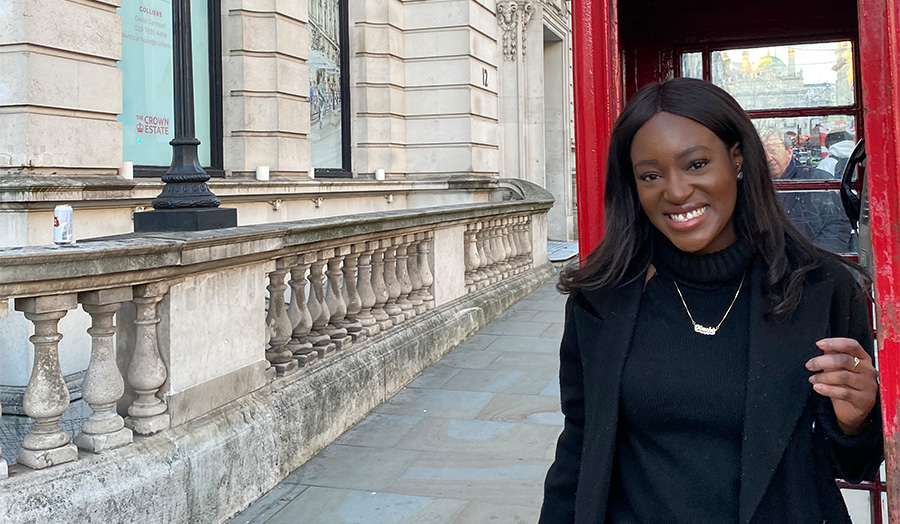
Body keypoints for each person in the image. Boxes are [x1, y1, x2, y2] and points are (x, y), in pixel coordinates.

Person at [539, 78, 882, 524]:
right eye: (651, 175)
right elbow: (580, 447)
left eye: (696, 164)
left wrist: (857, 420)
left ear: (736, 159)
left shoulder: (820, 288)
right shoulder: (602, 299)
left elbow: (854, 465)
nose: (676, 191)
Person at [763, 131, 853, 253]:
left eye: (773, 151)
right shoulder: (758, 185)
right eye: (764, 152)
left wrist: (814, 256)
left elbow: (838, 223)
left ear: (789, 152)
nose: (768, 158)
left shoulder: (815, 179)